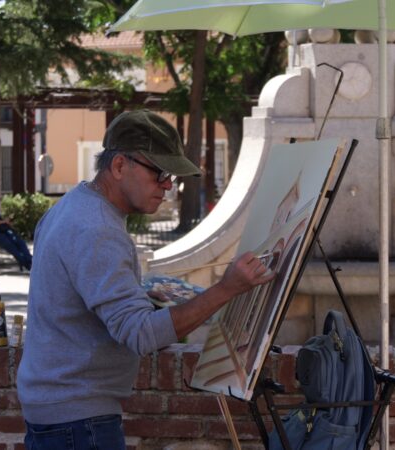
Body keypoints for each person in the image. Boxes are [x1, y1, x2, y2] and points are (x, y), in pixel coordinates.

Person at [16, 110, 276, 450]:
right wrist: (228, 288)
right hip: (77, 422)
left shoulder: (72, 206)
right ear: (120, 166)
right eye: (160, 173)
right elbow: (139, 333)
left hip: (61, 412)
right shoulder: (97, 229)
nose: (168, 185)